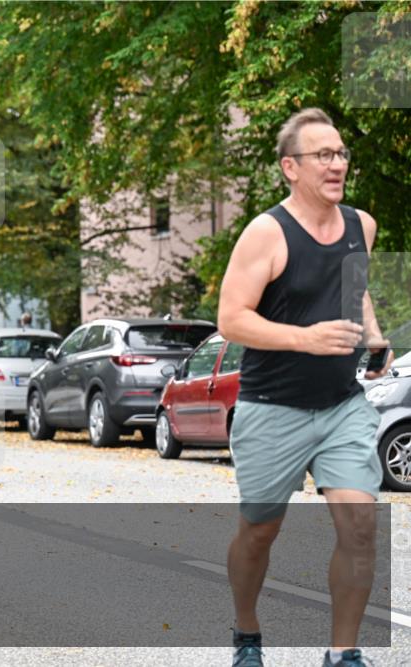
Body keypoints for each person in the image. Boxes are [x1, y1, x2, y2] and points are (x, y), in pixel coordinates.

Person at [218, 108, 393, 667]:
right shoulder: (266, 233)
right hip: (272, 407)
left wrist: (373, 337)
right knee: (259, 531)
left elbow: (354, 290)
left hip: (342, 405)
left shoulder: (361, 226)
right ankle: (247, 632)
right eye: (323, 155)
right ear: (290, 167)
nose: (337, 164)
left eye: (341, 153)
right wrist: (305, 339)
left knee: (360, 525)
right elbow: (231, 320)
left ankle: (343, 654)